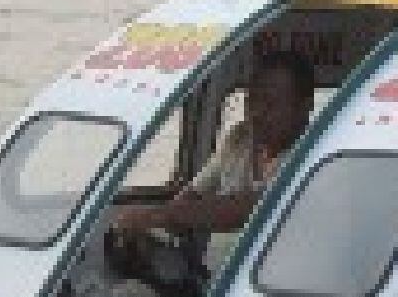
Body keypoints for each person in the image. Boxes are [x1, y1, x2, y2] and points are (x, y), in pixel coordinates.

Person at [113, 47, 316, 242]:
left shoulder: (315, 156)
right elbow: (195, 192)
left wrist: (159, 216)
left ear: (305, 106)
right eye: (251, 102)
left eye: (270, 104)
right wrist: (160, 222)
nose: (257, 113)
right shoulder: (239, 139)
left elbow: (249, 207)